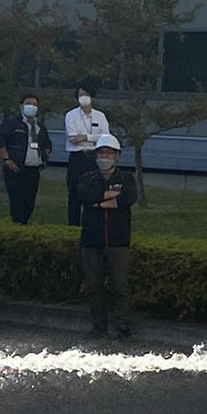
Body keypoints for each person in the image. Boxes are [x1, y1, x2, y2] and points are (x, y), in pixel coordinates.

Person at [76, 132, 137, 337]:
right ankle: (98, 325)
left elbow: (127, 199)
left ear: (116, 156)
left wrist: (98, 202)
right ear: (96, 155)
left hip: (118, 240)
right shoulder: (87, 177)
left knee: (120, 284)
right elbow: (84, 196)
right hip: (91, 240)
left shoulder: (126, 178)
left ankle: (123, 325)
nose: (105, 157)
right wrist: (110, 197)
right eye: (102, 153)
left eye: (109, 153)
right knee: (93, 285)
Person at [0, 95, 52, 226]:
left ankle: (24, 224)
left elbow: (47, 144)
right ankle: (16, 225)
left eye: (35, 104)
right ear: (21, 106)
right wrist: (7, 159)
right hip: (16, 168)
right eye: (28, 103)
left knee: (29, 202)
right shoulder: (12, 123)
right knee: (17, 201)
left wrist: (44, 159)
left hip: (34, 169)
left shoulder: (40, 126)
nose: (32, 107)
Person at [63, 81, 107, 226]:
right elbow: (73, 138)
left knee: (94, 190)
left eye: (86, 95)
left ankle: (92, 222)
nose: (83, 98)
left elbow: (105, 137)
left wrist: (86, 137)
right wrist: (92, 138)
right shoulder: (71, 115)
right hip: (77, 157)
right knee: (74, 192)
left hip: (94, 157)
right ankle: (73, 224)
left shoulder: (100, 116)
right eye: (81, 95)